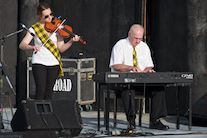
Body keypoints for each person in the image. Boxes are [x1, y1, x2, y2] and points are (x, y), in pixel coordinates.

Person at [109, 24, 169, 130]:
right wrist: (131, 68)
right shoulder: (120, 45)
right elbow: (116, 65)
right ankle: (131, 120)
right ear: (129, 34)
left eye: (140, 39)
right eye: (135, 38)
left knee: (158, 87)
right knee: (128, 88)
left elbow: (148, 65)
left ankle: (155, 120)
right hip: (123, 81)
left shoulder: (144, 47)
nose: (138, 41)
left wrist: (148, 70)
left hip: (140, 81)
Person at [19, 2, 80, 100]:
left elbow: (61, 48)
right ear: (39, 16)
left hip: (54, 63)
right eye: (46, 16)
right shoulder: (34, 29)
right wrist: (31, 47)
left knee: (49, 93)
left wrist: (71, 41)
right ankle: (38, 114)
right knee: (40, 90)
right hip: (39, 61)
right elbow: (22, 45)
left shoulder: (57, 28)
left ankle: (46, 115)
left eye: (51, 14)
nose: (50, 18)